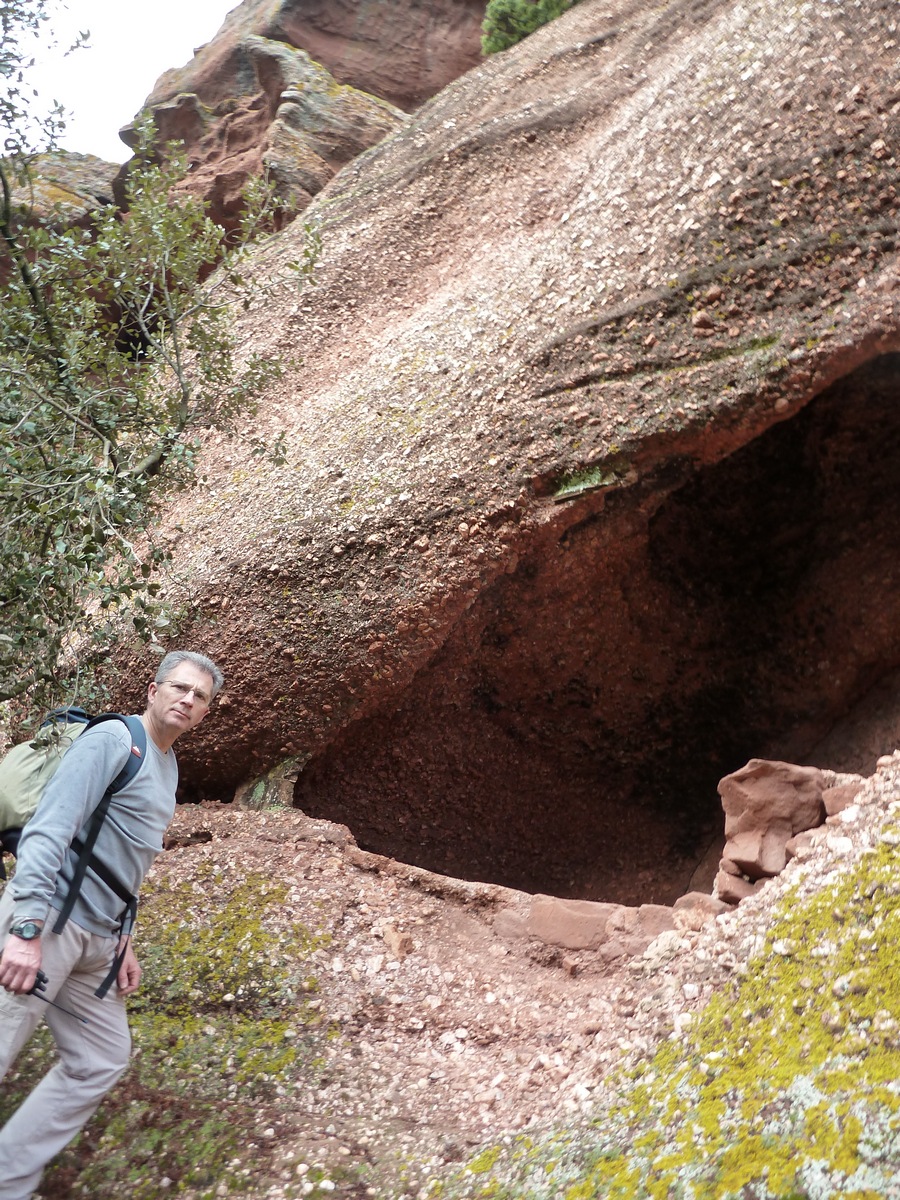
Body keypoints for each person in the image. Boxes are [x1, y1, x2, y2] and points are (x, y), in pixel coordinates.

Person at [0, 649, 223, 1199]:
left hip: (98, 941)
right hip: (50, 924)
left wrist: (124, 939)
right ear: (153, 690)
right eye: (179, 687)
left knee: (100, 1058)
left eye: (199, 696)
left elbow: (128, 859)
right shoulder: (113, 741)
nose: (187, 699)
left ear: (204, 713)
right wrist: (25, 929)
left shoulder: (167, 765)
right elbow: (49, 830)